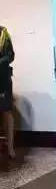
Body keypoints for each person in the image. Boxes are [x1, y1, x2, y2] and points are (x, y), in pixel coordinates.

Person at [0, 26, 15, 161]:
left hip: (2, 79)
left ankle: (10, 148)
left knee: (6, 112)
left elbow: (10, 56)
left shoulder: (3, 33)